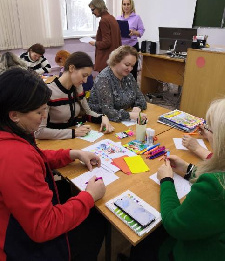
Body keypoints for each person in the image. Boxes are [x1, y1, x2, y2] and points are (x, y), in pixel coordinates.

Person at [0, 67, 106, 261]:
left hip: (19, 223)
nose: (43, 117)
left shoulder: (10, 132)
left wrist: (71, 153)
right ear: (14, 115)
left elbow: (35, 156)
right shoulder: (16, 156)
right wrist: (89, 196)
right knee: (98, 222)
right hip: (19, 246)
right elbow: (44, 227)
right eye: (40, 112)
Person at [127, 98, 225, 261]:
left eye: (209, 129)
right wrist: (188, 170)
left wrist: (166, 181)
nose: (206, 133)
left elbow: (173, 223)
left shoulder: (214, 187)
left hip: (198, 253)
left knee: (144, 241)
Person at [35, 51, 114, 140]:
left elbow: (87, 112)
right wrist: (73, 132)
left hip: (74, 139)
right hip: (54, 142)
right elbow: (39, 132)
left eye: (87, 76)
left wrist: (102, 118)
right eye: (84, 75)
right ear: (71, 68)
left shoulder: (78, 88)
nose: (85, 81)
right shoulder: (48, 92)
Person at [88, 45, 147, 123]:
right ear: (116, 61)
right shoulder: (104, 79)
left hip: (123, 119)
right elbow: (108, 111)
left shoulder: (129, 76)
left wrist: (137, 107)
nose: (130, 69)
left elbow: (141, 98)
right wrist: (130, 115)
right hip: (102, 122)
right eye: (127, 65)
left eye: (132, 66)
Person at [88, 0, 121, 72]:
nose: (92, 12)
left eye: (93, 10)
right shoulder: (111, 18)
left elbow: (106, 43)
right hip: (114, 59)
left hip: (106, 60)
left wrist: (95, 43)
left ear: (99, 7)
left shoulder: (104, 21)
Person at [116, 0, 145, 80]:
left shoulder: (137, 17)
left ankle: (132, 91)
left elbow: (141, 31)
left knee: (131, 71)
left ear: (131, 5)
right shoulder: (118, 18)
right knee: (121, 70)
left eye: (128, 4)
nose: (126, 6)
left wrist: (134, 32)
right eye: (124, 4)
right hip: (121, 48)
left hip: (132, 47)